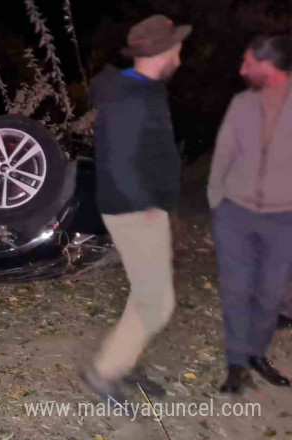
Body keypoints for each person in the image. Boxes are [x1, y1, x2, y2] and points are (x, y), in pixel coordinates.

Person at [80, 15, 190, 407]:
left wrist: (166, 206)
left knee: (146, 294)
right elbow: (120, 159)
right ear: (163, 51)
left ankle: (121, 363)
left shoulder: (144, 90)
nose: (181, 52)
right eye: (177, 45)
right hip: (134, 209)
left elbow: (152, 153)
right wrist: (146, 207)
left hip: (142, 207)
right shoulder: (130, 95)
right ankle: (103, 373)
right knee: (157, 302)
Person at [208, 34, 292, 393]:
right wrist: (217, 201)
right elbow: (223, 152)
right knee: (236, 291)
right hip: (235, 214)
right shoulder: (241, 103)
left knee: (270, 294)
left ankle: (256, 352)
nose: (242, 70)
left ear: (268, 65)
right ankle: (237, 364)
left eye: (248, 63)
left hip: (284, 219)